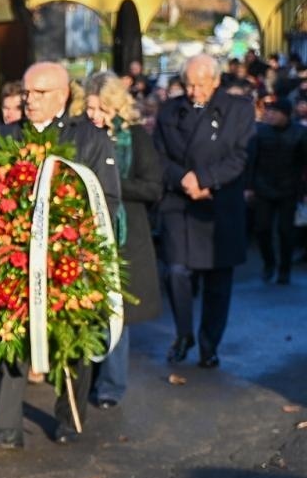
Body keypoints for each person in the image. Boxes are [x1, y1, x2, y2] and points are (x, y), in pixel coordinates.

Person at [0, 60, 121, 449]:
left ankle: (69, 417)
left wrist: (65, 225)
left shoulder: (89, 138)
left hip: (66, 254)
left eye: (39, 93)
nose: (29, 99)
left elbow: (106, 198)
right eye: (26, 91)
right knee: (10, 332)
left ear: (62, 96)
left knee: (71, 339)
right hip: (13, 253)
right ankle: (6, 426)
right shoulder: (4, 135)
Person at [154, 54, 254, 368]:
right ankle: (184, 333)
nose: (194, 91)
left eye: (201, 85)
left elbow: (240, 156)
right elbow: (158, 156)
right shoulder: (170, 111)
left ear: (215, 81)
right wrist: (182, 178)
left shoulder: (238, 110)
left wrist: (206, 180)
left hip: (219, 203)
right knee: (177, 271)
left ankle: (210, 344)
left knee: (217, 282)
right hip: (179, 203)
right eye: (189, 84)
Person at [81, 71, 163, 409]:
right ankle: (87, 377)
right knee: (87, 309)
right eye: (89, 108)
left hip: (126, 235)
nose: (94, 116)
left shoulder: (136, 139)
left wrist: (109, 184)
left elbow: (152, 187)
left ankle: (111, 385)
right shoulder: (80, 134)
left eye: (102, 109)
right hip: (86, 232)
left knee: (117, 313)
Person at [243, 100, 307, 285]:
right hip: (263, 187)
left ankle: (284, 268)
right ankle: (269, 263)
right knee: (262, 228)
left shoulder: (300, 133)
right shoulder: (259, 132)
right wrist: (249, 187)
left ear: (285, 114)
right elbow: (251, 161)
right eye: (268, 112)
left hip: (290, 188)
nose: (269, 115)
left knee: (286, 231)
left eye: (274, 112)